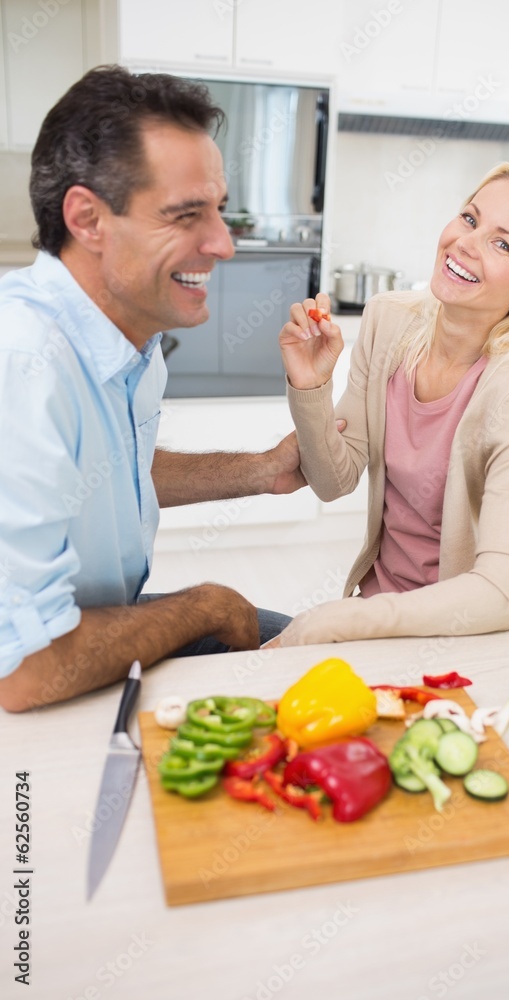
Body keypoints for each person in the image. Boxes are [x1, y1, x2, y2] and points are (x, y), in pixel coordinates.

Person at [0, 66, 302, 712]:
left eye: (218, 210)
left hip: (91, 620)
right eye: (186, 215)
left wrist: (262, 471)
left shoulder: (129, 333)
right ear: (87, 218)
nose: (222, 244)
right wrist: (204, 606)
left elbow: (106, 476)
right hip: (34, 669)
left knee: (306, 648)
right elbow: (26, 673)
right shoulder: (22, 361)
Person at [273, 162, 509, 646]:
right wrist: (311, 388)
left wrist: (345, 620)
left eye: (502, 243)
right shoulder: (387, 321)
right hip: (382, 617)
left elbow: (502, 592)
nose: (465, 243)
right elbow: (333, 480)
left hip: (471, 635)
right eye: (470, 218)